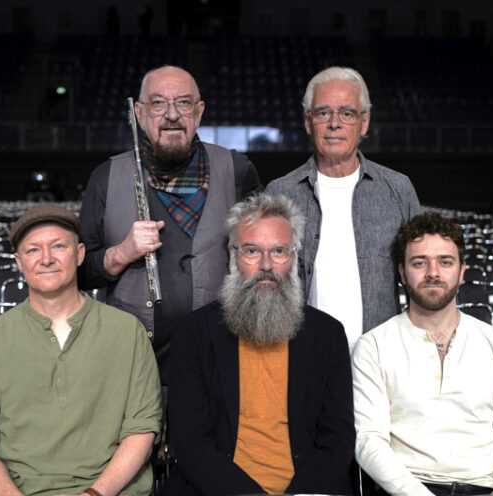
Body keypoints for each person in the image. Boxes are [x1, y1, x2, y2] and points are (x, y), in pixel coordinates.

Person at [0, 205, 162, 496]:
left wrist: (94, 494)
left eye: (58, 246)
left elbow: (142, 428)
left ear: (80, 254)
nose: (46, 259)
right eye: (33, 250)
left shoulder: (128, 331)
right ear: (19, 262)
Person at [163, 194, 355, 496]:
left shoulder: (328, 335)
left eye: (279, 251)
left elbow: (337, 441)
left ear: (293, 256)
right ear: (232, 254)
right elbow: (191, 442)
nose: (266, 265)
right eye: (252, 251)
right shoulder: (193, 333)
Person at [78, 65, 261, 381]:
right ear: (139, 113)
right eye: (158, 103)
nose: (172, 115)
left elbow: (262, 256)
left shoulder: (237, 170)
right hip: (131, 363)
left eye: (184, 103)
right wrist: (120, 253)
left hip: (218, 359)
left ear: (199, 112)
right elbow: (79, 273)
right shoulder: (106, 177)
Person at [352, 212, 493, 496]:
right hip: (410, 489)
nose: (433, 273)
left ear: (462, 271)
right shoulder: (373, 346)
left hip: (487, 488)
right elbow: (368, 440)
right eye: (420, 263)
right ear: (403, 273)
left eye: (445, 262)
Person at [266, 66, 421, 349]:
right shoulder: (279, 193)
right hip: (304, 361)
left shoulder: (398, 190)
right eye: (323, 113)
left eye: (347, 113)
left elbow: (420, 281)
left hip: (380, 363)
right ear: (307, 121)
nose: (334, 123)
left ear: (364, 123)